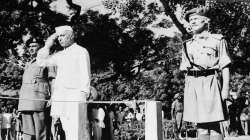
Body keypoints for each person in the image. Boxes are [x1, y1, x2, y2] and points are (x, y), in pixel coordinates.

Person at [180, 6, 231, 140]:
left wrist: (225, 89)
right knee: (201, 126)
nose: (192, 22)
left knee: (214, 124)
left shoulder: (218, 40)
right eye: (190, 20)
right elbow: (185, 69)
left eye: (196, 19)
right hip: (193, 84)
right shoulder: (187, 45)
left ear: (206, 21)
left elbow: (225, 65)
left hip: (211, 82)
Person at [37, 25, 91, 140]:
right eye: (59, 37)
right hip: (61, 97)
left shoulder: (81, 51)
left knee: (78, 130)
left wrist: (83, 96)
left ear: (71, 36)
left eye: (63, 35)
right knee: (66, 130)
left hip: (75, 96)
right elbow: (41, 62)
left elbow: (86, 75)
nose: (60, 39)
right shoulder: (60, 55)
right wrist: (48, 43)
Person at [18, 39, 56, 140]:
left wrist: (52, 97)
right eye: (30, 46)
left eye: (34, 46)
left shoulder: (48, 60)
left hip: (39, 101)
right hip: (25, 102)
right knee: (27, 133)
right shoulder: (28, 64)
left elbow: (52, 80)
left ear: (40, 48)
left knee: (41, 132)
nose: (31, 48)